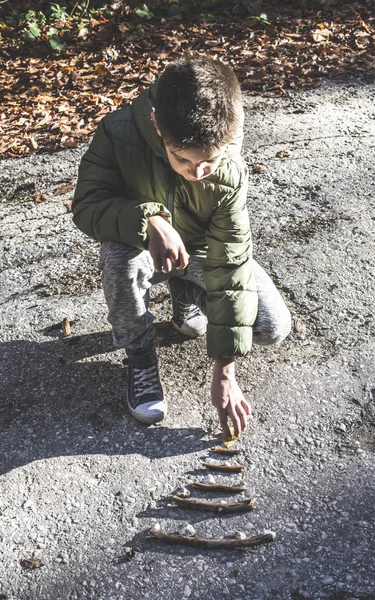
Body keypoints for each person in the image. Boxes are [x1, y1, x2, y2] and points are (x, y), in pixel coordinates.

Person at [72, 56, 291, 440]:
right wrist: (150, 220)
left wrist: (225, 370)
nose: (197, 172)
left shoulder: (228, 167)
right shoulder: (117, 131)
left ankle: (185, 292)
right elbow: (87, 206)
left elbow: (231, 262)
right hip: (142, 246)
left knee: (272, 328)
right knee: (118, 259)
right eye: (183, 160)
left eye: (209, 161)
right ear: (157, 124)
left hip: (201, 252)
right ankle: (139, 356)